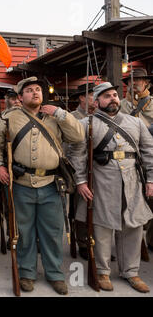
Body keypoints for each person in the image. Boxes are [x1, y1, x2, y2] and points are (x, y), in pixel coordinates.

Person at [0, 76, 84, 295]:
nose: (35, 92)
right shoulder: (8, 117)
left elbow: (78, 137)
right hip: (21, 183)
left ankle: (55, 274)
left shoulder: (56, 115)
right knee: (24, 232)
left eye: (38, 89)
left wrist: (60, 113)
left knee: (52, 232)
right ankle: (27, 272)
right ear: (20, 97)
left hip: (51, 183)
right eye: (29, 90)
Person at [69, 82, 153, 293]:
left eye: (115, 95)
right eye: (107, 96)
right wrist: (80, 181)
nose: (113, 98)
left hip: (133, 180)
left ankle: (131, 272)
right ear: (96, 102)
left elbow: (149, 152)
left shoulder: (136, 123)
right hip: (102, 180)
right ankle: (102, 271)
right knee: (103, 226)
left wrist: (151, 179)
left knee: (132, 226)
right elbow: (77, 155)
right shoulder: (86, 124)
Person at [120, 68, 153, 251]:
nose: (135, 83)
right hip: (130, 158)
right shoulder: (123, 105)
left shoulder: (152, 103)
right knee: (133, 200)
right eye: (132, 80)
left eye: (139, 79)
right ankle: (133, 243)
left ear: (146, 83)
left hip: (150, 154)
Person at [66, 82, 96, 260]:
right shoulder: (72, 118)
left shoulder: (101, 116)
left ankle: (96, 242)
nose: (95, 99)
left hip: (99, 170)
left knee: (98, 208)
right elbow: (68, 147)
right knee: (80, 209)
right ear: (82, 98)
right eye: (92, 95)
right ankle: (83, 242)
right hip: (79, 170)